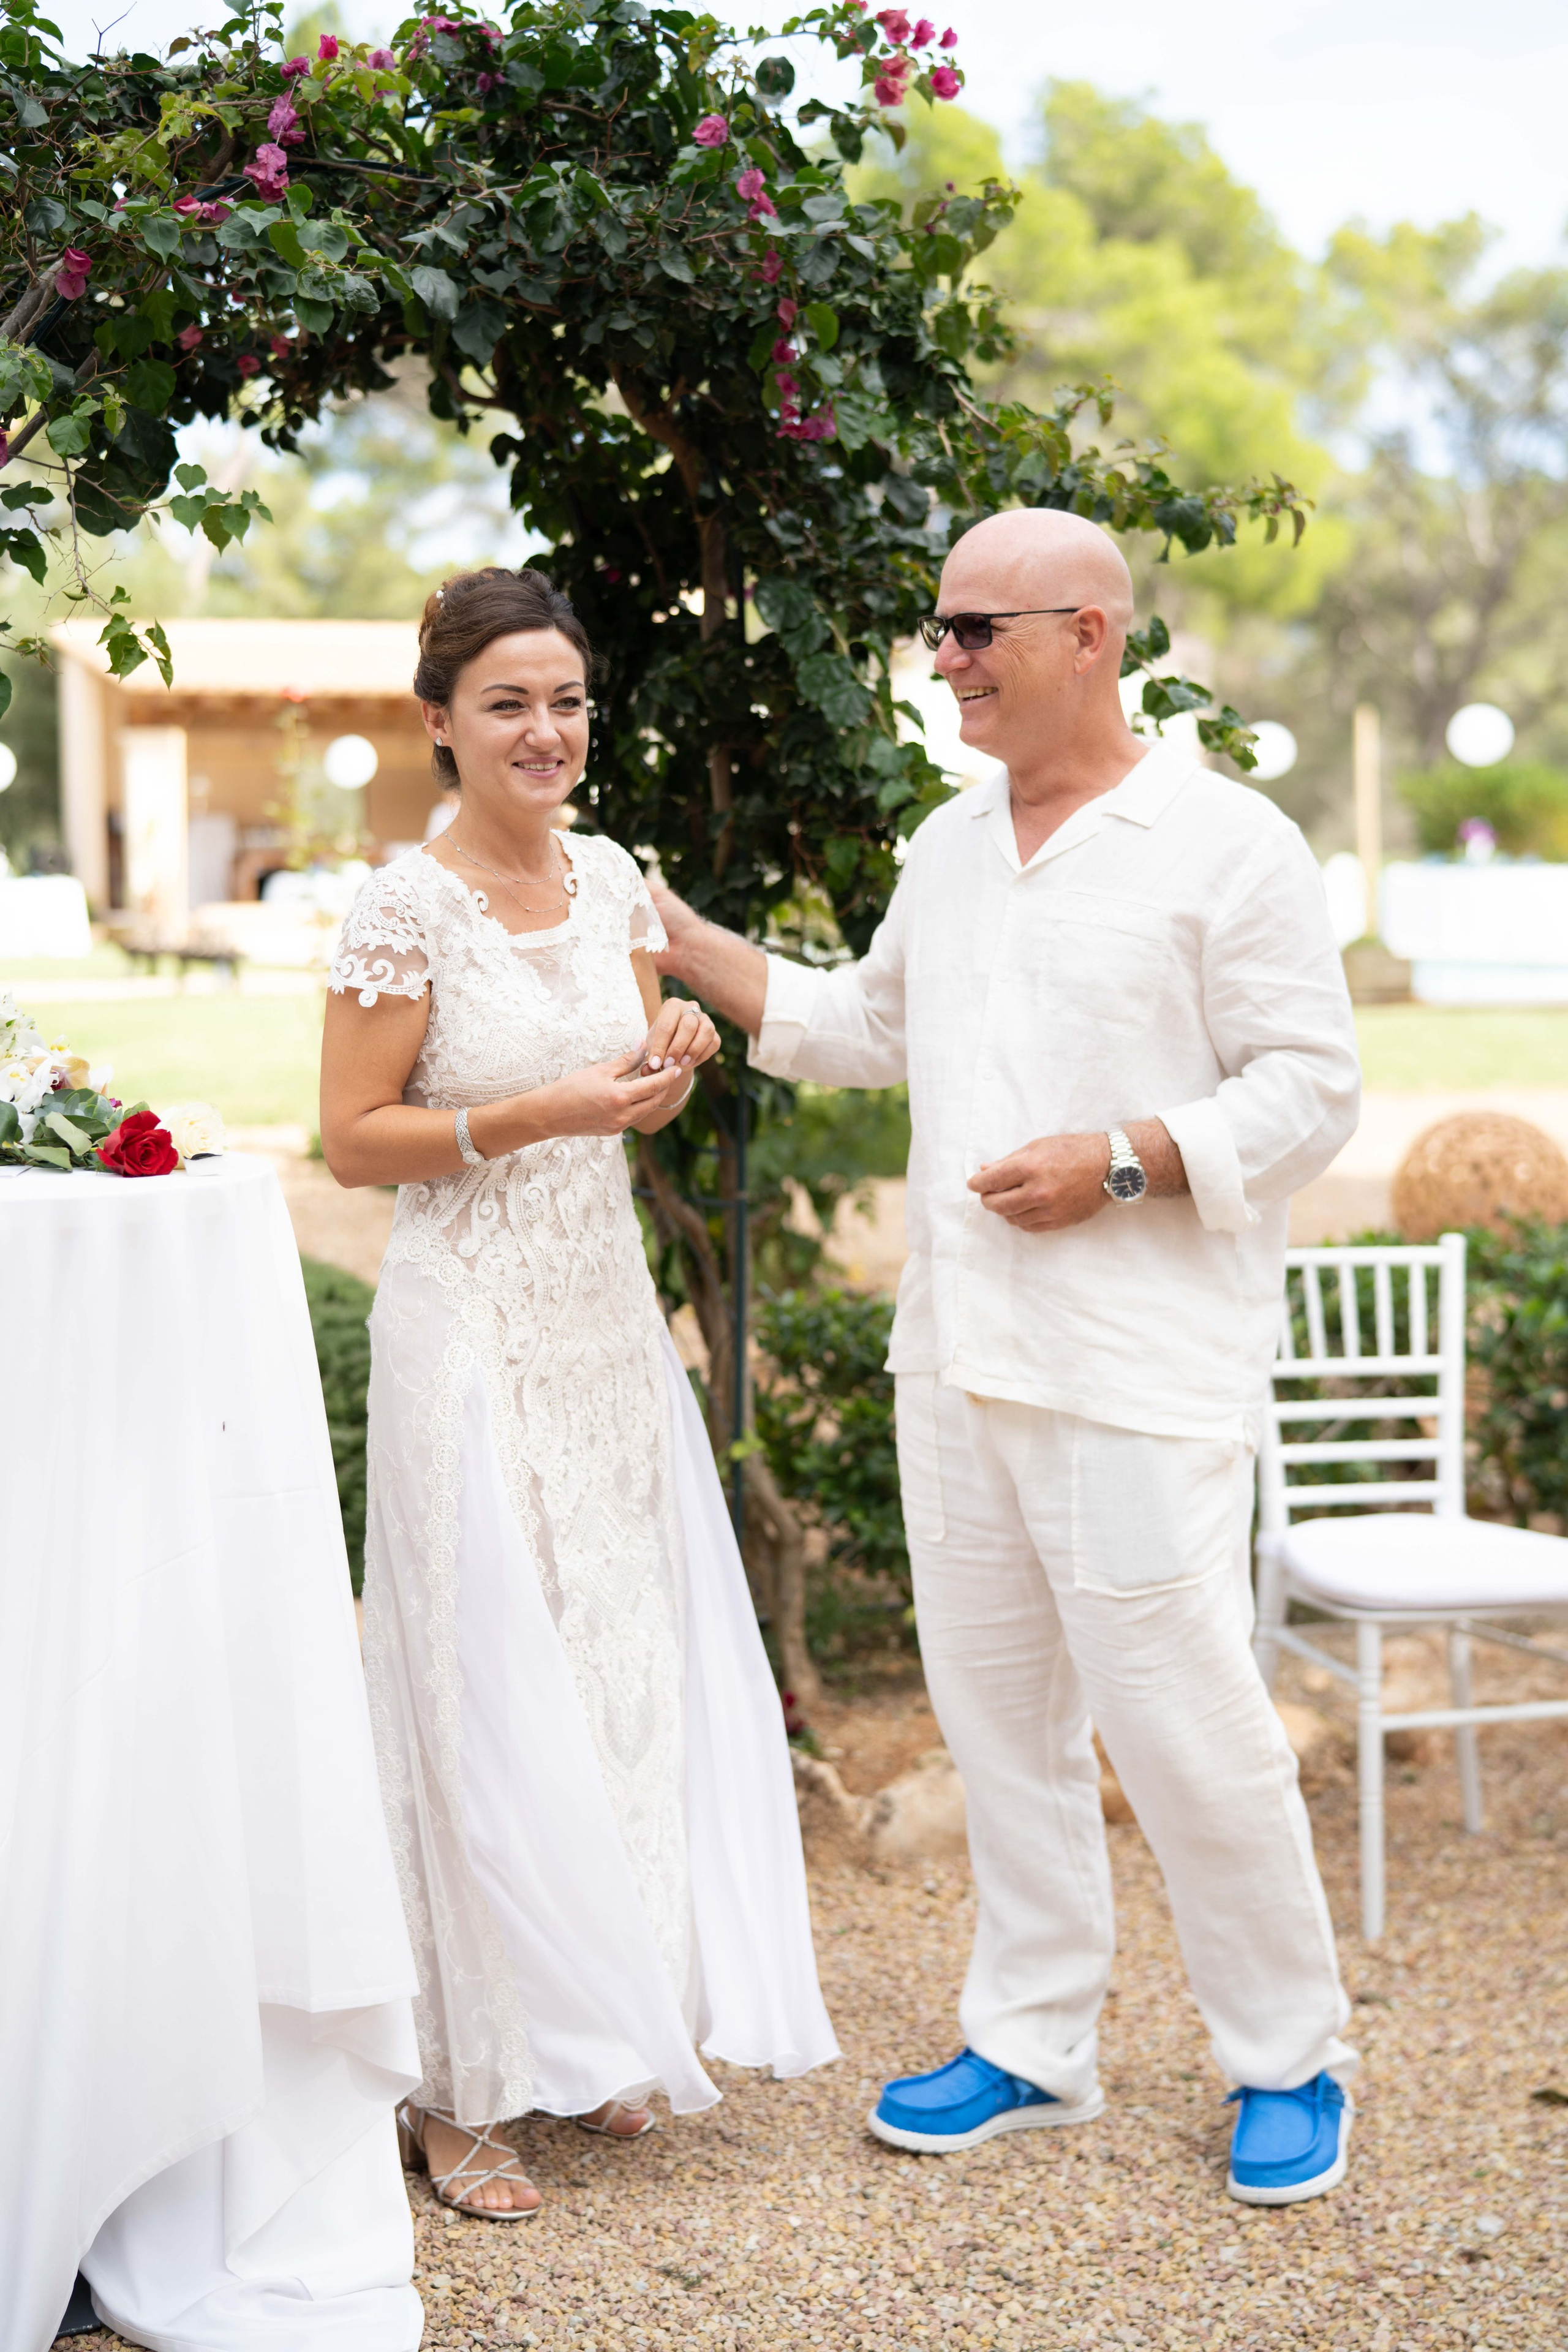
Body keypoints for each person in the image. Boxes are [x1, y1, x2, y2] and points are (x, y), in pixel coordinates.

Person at [650, 510, 1362, 2209]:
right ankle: (1036, 2045)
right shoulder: (951, 845)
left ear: (1095, 635)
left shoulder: (1230, 844)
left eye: (980, 630)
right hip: (955, 1356)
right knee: (997, 1730)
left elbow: (1314, 1086)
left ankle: (1289, 2057)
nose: (946, 659)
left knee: (1188, 1727)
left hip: (1136, 1367)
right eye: (942, 629)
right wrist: (671, 930)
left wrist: (1123, 1156)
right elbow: (858, 1026)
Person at [320, 565, 838, 2220]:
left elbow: (627, 1106)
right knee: (472, 1675)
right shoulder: (402, 908)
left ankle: (591, 2013)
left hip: (604, 1328)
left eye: (566, 702)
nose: (546, 732)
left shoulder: (615, 880)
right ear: (439, 727)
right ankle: (453, 2083)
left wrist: (668, 1064)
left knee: (614, 1659)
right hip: (467, 1322)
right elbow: (349, 1140)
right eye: (507, 705)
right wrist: (546, 1112)